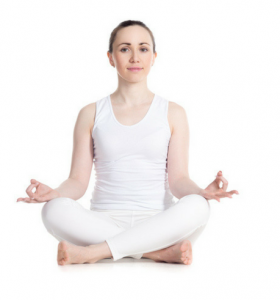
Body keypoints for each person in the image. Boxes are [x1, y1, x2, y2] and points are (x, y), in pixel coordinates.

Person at [17, 20, 239, 266]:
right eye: (124, 49)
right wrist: (55, 193)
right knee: (53, 210)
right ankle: (155, 252)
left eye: (143, 49)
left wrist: (201, 192)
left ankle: (93, 252)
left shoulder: (173, 112)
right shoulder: (90, 113)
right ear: (111, 58)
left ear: (154, 57)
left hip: (160, 222)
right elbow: (77, 182)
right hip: (102, 221)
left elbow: (178, 181)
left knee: (199, 206)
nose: (135, 57)